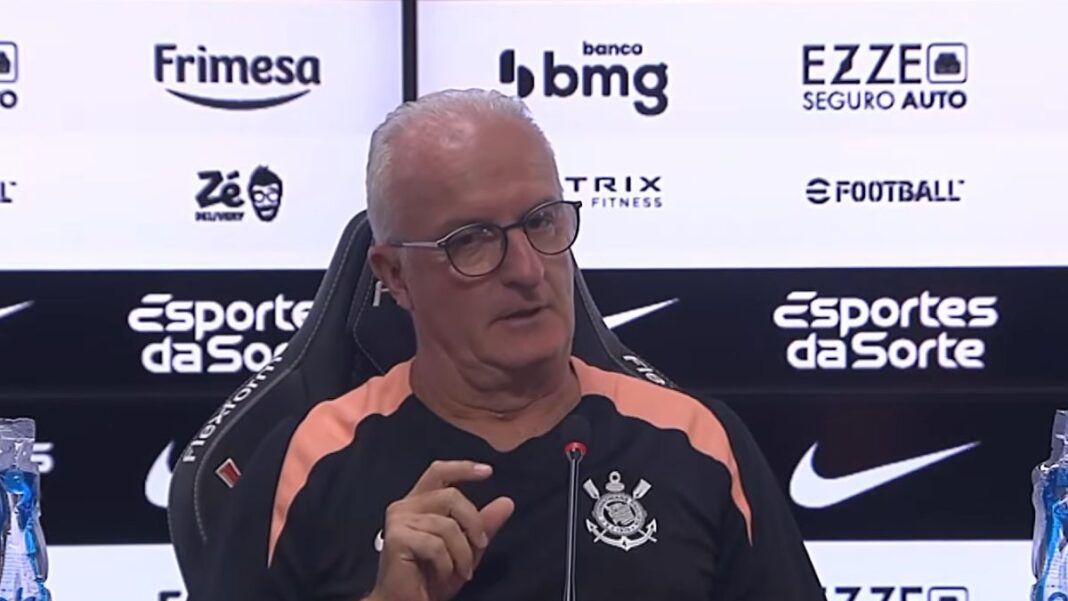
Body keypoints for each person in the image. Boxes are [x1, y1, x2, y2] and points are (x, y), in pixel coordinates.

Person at [202, 88, 824, 601]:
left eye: (542, 221)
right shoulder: (309, 461)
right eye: (473, 240)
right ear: (395, 276)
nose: (527, 269)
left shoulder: (696, 441)